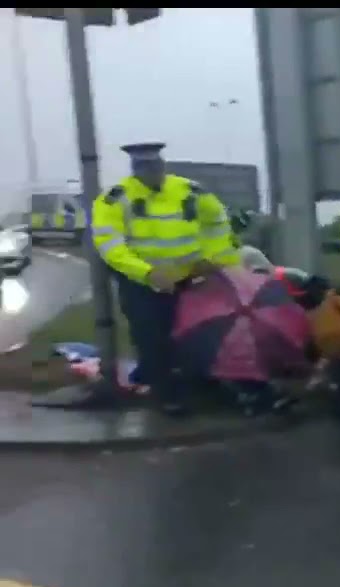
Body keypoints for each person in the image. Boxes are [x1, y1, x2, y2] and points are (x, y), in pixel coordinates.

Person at [90, 142, 240, 416]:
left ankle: (205, 383)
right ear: (135, 170)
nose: (153, 171)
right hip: (142, 283)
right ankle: (168, 394)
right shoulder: (116, 198)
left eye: (157, 165)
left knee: (202, 331)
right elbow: (110, 245)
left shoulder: (189, 191)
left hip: (190, 278)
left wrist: (212, 259)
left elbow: (218, 223)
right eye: (145, 166)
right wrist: (147, 273)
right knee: (153, 337)